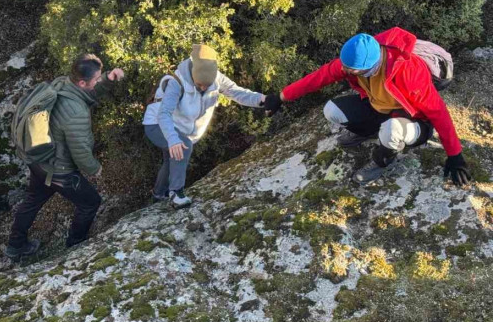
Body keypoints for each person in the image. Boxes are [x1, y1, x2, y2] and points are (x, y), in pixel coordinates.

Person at [264, 27, 471, 186]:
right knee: (332, 110)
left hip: (414, 121)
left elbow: (438, 112)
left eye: (349, 70)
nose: (343, 70)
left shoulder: (408, 72)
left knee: (392, 130)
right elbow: (320, 76)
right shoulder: (358, 60)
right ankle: (368, 132)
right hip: (380, 108)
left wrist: (455, 155)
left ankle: (383, 161)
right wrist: (282, 97)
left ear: (368, 67)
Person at [5, 54, 125, 259]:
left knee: (32, 201)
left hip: (39, 161)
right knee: (90, 203)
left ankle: (15, 246)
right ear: (81, 82)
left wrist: (107, 79)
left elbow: (89, 93)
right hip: (59, 170)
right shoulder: (76, 112)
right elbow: (80, 150)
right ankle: (75, 247)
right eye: (96, 79)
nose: (97, 81)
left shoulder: (62, 83)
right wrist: (94, 168)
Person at [143, 44, 267, 208]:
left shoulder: (217, 79)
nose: (203, 88)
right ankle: (176, 194)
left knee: (172, 159)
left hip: (177, 128)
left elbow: (238, 93)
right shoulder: (176, 81)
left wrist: (263, 100)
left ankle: (158, 196)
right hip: (157, 124)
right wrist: (173, 139)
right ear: (193, 74)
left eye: (206, 86)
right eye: (199, 84)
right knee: (183, 146)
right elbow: (164, 113)